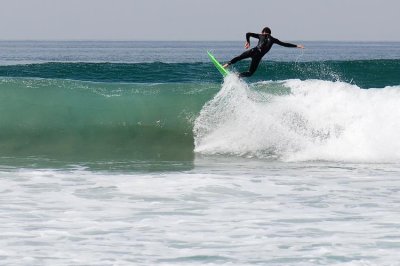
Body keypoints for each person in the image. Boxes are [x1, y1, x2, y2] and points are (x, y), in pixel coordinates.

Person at [223, 27, 304, 77]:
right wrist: (297, 46)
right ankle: (238, 76)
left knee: (239, 57)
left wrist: (248, 42)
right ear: (270, 33)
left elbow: (248, 33)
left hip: (253, 50)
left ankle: (227, 64)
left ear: (263, 32)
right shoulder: (273, 39)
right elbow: (284, 44)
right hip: (258, 56)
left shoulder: (261, 35)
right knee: (250, 73)